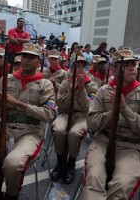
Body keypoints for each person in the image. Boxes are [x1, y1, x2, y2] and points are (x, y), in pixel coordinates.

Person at [0, 43, 56, 200]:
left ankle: (11, 196)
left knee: (13, 164)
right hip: (4, 127)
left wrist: (17, 103)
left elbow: (49, 115)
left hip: (30, 131)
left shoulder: (45, 84)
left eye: (31, 57)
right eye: (24, 56)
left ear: (39, 61)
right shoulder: (6, 79)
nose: (26, 60)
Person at [83, 49, 140, 199]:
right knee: (95, 178)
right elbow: (92, 123)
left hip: (130, 146)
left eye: (133, 64)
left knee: (122, 183)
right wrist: (113, 112)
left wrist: (123, 108)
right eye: (125, 64)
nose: (131, 67)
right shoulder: (103, 91)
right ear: (115, 69)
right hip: (103, 142)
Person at [50, 56, 98, 184]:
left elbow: (89, 107)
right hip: (66, 114)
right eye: (77, 66)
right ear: (71, 69)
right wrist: (71, 91)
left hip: (82, 116)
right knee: (58, 129)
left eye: (83, 66)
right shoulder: (66, 83)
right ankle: (60, 162)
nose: (80, 69)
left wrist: (81, 90)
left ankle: (71, 163)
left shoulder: (91, 85)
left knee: (74, 133)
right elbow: (61, 105)